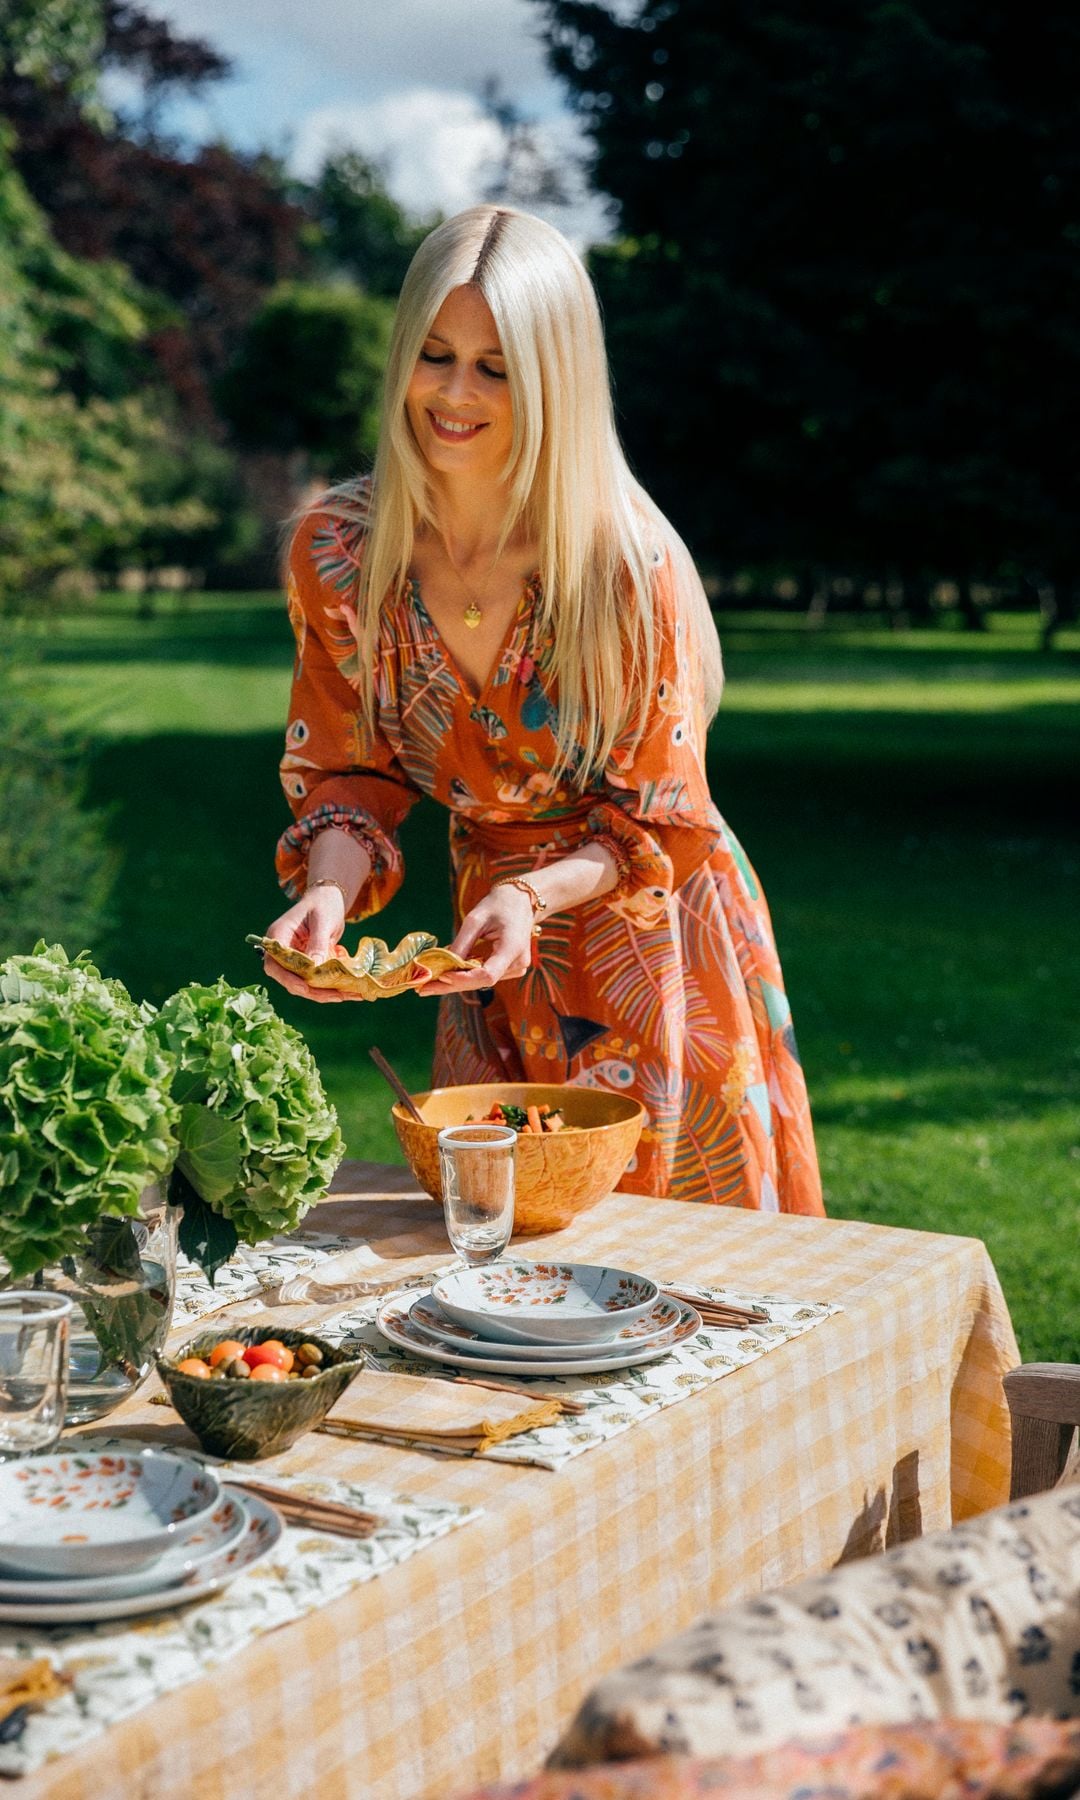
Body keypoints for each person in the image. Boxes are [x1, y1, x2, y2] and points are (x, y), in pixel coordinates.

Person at [262, 204, 823, 1212]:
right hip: (487, 953)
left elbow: (661, 819)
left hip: (654, 941)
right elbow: (354, 772)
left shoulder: (623, 565)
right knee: (491, 1258)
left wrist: (532, 895)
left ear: (554, 381)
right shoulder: (341, 556)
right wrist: (331, 895)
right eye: (434, 354)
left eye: (496, 367)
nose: (453, 393)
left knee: (678, 1275)